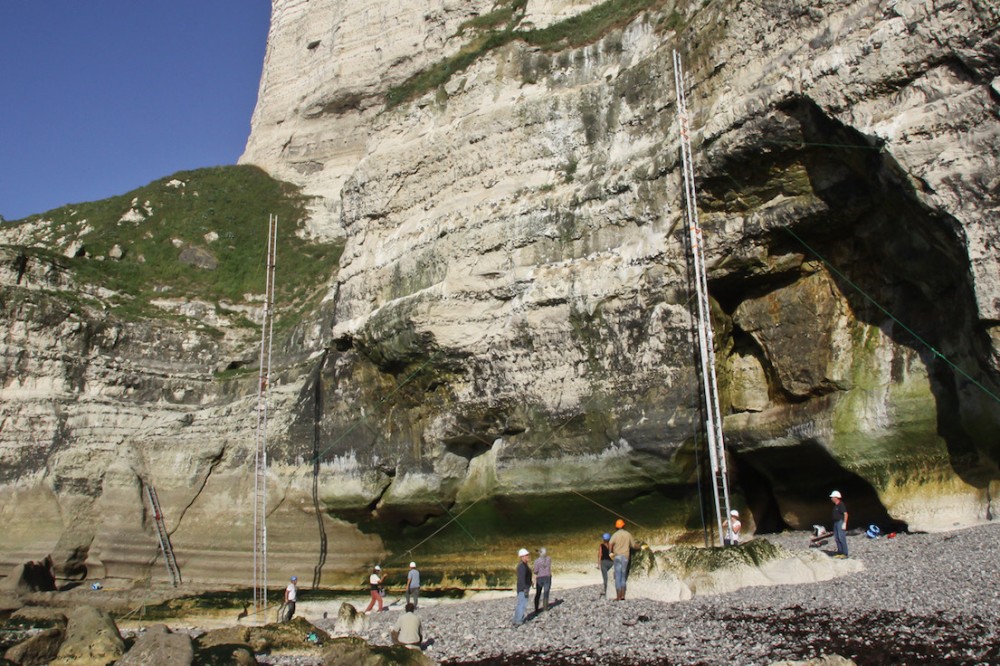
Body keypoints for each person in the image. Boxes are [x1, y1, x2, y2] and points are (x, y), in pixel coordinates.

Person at [608, 518, 636, 600]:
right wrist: (641, 547)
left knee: (618, 576)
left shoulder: (615, 535)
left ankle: (618, 596)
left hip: (617, 557)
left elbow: (610, 543)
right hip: (625, 557)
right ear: (624, 525)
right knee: (623, 576)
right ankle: (623, 595)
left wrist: (610, 553)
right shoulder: (628, 534)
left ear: (616, 527)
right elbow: (633, 545)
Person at [512, 547, 532, 626]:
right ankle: (518, 620)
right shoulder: (522, 567)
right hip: (523, 588)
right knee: (522, 604)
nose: (528, 557)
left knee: (520, 603)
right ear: (522, 557)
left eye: (527, 555)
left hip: (523, 588)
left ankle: (516, 619)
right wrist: (525, 588)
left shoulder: (523, 565)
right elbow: (521, 579)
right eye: (526, 555)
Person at [830, 490, 849, 558]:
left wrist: (844, 523)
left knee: (841, 538)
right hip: (835, 523)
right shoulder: (836, 505)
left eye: (832, 497)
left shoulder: (841, 504)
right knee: (837, 538)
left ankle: (845, 553)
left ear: (836, 497)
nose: (831, 498)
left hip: (840, 522)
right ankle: (840, 552)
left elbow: (845, 514)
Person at [533, 547, 552, 612]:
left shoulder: (537, 561)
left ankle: (536, 608)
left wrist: (533, 580)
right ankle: (545, 607)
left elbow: (535, 571)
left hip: (540, 578)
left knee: (538, 593)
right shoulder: (549, 559)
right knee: (546, 592)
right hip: (547, 577)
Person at [598, 533, 613, 599]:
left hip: (603, 562)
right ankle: (613, 591)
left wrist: (598, 564)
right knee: (612, 577)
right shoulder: (612, 545)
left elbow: (600, 555)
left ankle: (607, 592)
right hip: (611, 562)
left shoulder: (601, 545)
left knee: (605, 578)